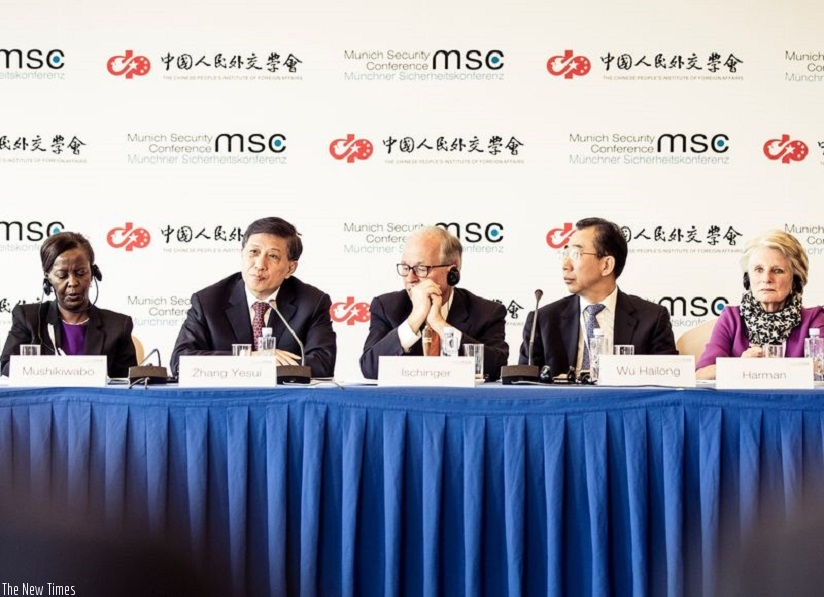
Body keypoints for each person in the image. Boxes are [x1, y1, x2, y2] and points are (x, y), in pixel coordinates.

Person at [171, 217, 336, 377]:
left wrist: (264, 366)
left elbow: (322, 365)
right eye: (254, 252)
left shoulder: (311, 303)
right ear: (242, 254)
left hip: (282, 400)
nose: (259, 264)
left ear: (290, 268)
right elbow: (180, 362)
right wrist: (250, 359)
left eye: (272, 256)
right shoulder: (208, 301)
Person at [520, 217, 677, 378]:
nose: (565, 265)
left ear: (606, 265)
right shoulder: (543, 320)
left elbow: (668, 384)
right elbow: (524, 386)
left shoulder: (652, 319)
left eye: (575, 254)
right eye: (565, 253)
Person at [360, 226, 509, 380]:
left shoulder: (487, 312)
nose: (410, 278)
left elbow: (496, 369)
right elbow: (370, 369)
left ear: (452, 272)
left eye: (421, 268)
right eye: (405, 268)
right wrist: (415, 318)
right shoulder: (386, 306)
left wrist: (439, 323)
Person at [0, 231, 137, 378]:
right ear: (48, 278)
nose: (72, 282)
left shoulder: (118, 326)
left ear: (93, 273)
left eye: (80, 272)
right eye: (62, 275)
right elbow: (7, 366)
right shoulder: (28, 318)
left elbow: (127, 384)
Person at [696, 230, 824, 380]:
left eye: (777, 271)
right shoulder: (732, 318)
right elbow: (701, 374)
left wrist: (777, 368)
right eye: (759, 270)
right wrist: (739, 366)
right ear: (747, 278)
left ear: (795, 280)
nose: (766, 278)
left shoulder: (814, 319)